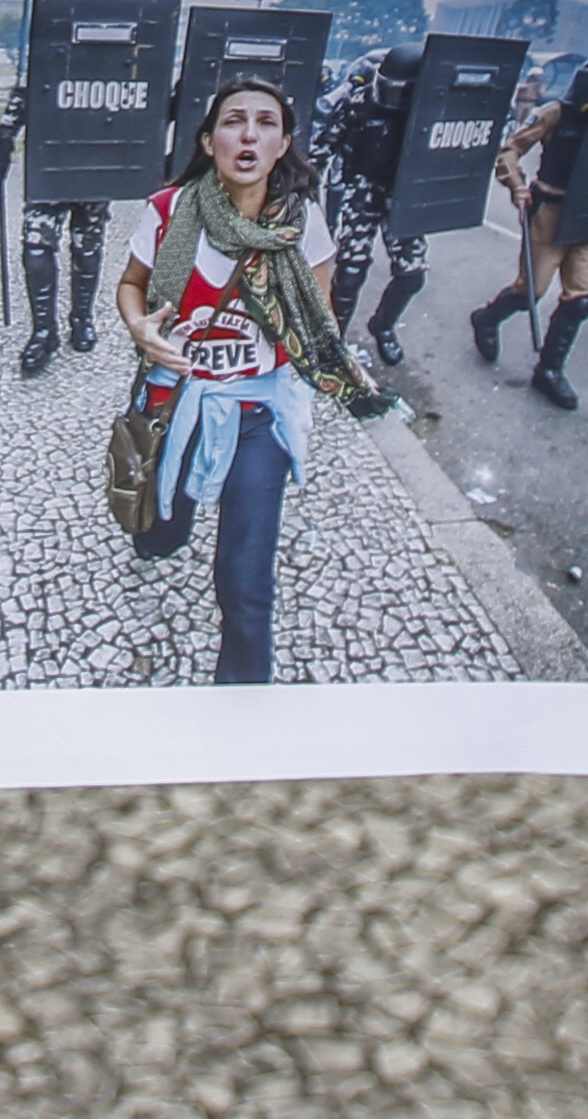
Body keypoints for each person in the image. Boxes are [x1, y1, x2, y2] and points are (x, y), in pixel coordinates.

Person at [115, 76, 392, 685]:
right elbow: (132, 285)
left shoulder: (304, 223)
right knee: (160, 529)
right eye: (234, 120)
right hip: (174, 400)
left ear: (283, 144)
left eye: (266, 122)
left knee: (245, 583)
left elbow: (321, 319)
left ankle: (242, 710)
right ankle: (163, 531)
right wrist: (142, 329)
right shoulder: (166, 213)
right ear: (209, 140)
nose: (249, 132)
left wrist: (291, 332)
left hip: (256, 416)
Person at [468, 67, 588, 411]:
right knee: (531, 290)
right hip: (552, 209)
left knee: (580, 300)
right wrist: (516, 186)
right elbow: (510, 150)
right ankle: (487, 318)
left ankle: (549, 370)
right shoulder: (555, 114)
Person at [308, 41, 439, 369]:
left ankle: (383, 325)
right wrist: (304, 190)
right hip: (364, 188)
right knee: (350, 270)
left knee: (412, 274)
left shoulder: (429, 109)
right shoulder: (358, 104)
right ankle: (332, 338)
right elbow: (323, 148)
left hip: (403, 193)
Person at [0, 71, 113, 377]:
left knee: (88, 246)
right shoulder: (52, 45)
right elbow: (23, 95)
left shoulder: (110, 55)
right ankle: (44, 330)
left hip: (94, 163)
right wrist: (5, 142)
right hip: (50, 164)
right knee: (36, 246)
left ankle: (82, 318)